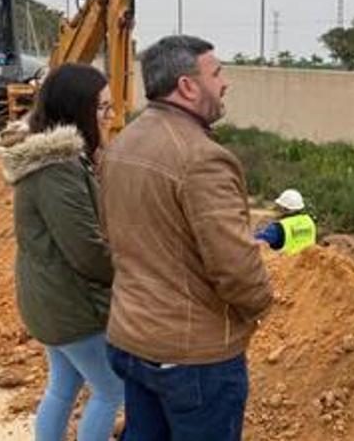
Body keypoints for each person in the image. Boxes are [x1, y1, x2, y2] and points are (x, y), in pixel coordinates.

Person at [99, 35, 274, 441]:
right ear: (187, 86)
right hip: (192, 359)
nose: (224, 83)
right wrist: (260, 305)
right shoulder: (202, 158)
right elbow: (235, 268)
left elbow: (112, 237)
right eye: (216, 73)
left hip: (132, 339)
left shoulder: (122, 144)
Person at [0, 63, 124, 441]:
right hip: (72, 307)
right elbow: (86, 251)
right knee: (111, 389)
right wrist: (134, 274)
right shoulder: (57, 168)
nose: (110, 117)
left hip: (49, 300)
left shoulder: (54, 160)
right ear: (78, 109)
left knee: (64, 386)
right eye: (103, 108)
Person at [254, 188, 317, 255]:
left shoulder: (278, 228)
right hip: (310, 263)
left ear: (285, 208)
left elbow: (255, 240)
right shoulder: (309, 221)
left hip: (288, 263)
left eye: (280, 207)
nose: (278, 209)